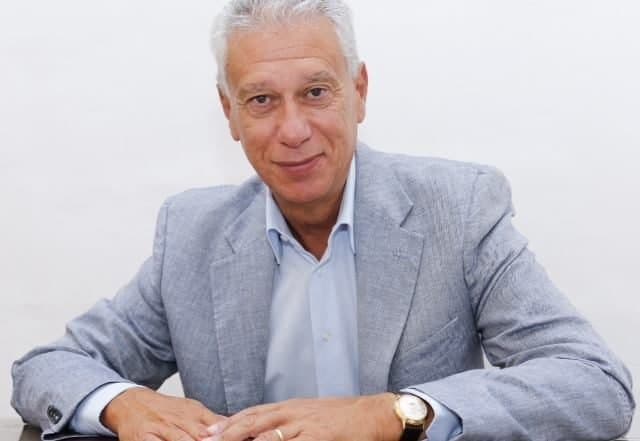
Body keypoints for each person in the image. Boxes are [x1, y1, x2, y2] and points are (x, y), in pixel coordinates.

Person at [11, 1, 635, 440]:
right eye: (262, 100)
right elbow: (46, 367)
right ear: (229, 114)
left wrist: (394, 414)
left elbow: (596, 384)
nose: (293, 130)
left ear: (359, 91)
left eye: (315, 92)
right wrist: (122, 402)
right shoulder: (192, 234)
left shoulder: (460, 208)